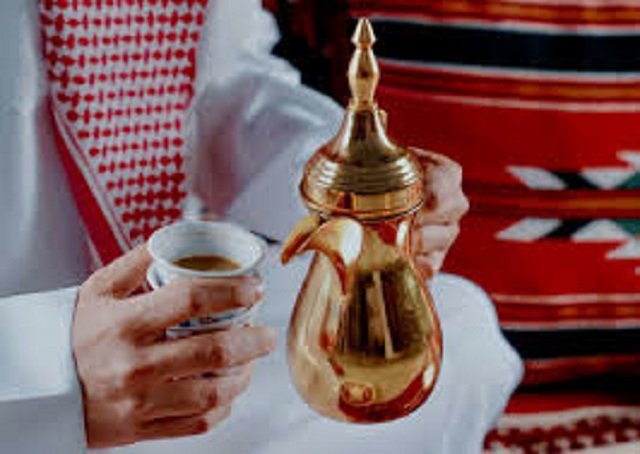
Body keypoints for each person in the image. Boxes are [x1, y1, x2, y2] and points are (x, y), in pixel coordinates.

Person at [0, 0, 522, 453]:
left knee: (458, 333)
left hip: (163, 352)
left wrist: (344, 185)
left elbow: (218, 83)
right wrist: (52, 375)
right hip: (21, 380)